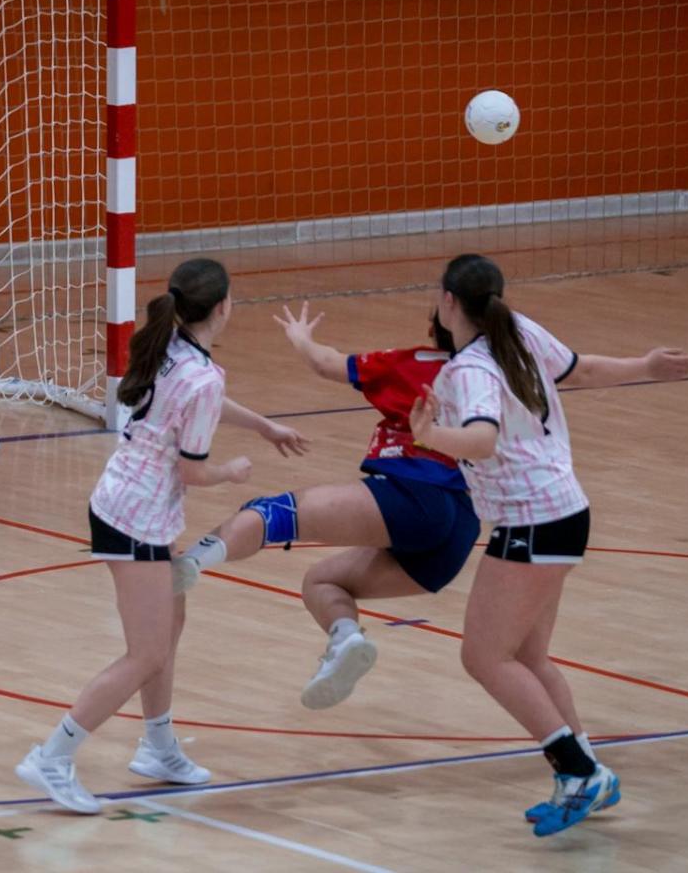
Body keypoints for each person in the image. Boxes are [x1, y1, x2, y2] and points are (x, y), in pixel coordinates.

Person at [410, 254, 688, 835]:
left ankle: (578, 771)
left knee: (483, 656)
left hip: (531, 520)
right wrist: (645, 364)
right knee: (529, 658)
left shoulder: (469, 369)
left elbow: (483, 441)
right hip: (563, 510)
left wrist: (429, 436)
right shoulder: (515, 329)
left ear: (446, 302)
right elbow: (582, 371)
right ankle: (590, 773)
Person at [14, 258, 309, 813]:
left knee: (170, 621)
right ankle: (52, 756)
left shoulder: (172, 346)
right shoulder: (199, 373)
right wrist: (232, 472)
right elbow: (194, 468)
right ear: (223, 307)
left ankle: (158, 747)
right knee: (146, 654)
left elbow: (204, 403)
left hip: (125, 500)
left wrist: (264, 425)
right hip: (137, 517)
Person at [173, 301, 483, 709]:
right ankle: (345, 640)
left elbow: (326, 364)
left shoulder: (414, 363)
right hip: (461, 528)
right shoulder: (493, 377)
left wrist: (302, 339)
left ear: (439, 323)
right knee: (322, 582)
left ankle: (186, 566)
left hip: (415, 493)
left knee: (273, 514)